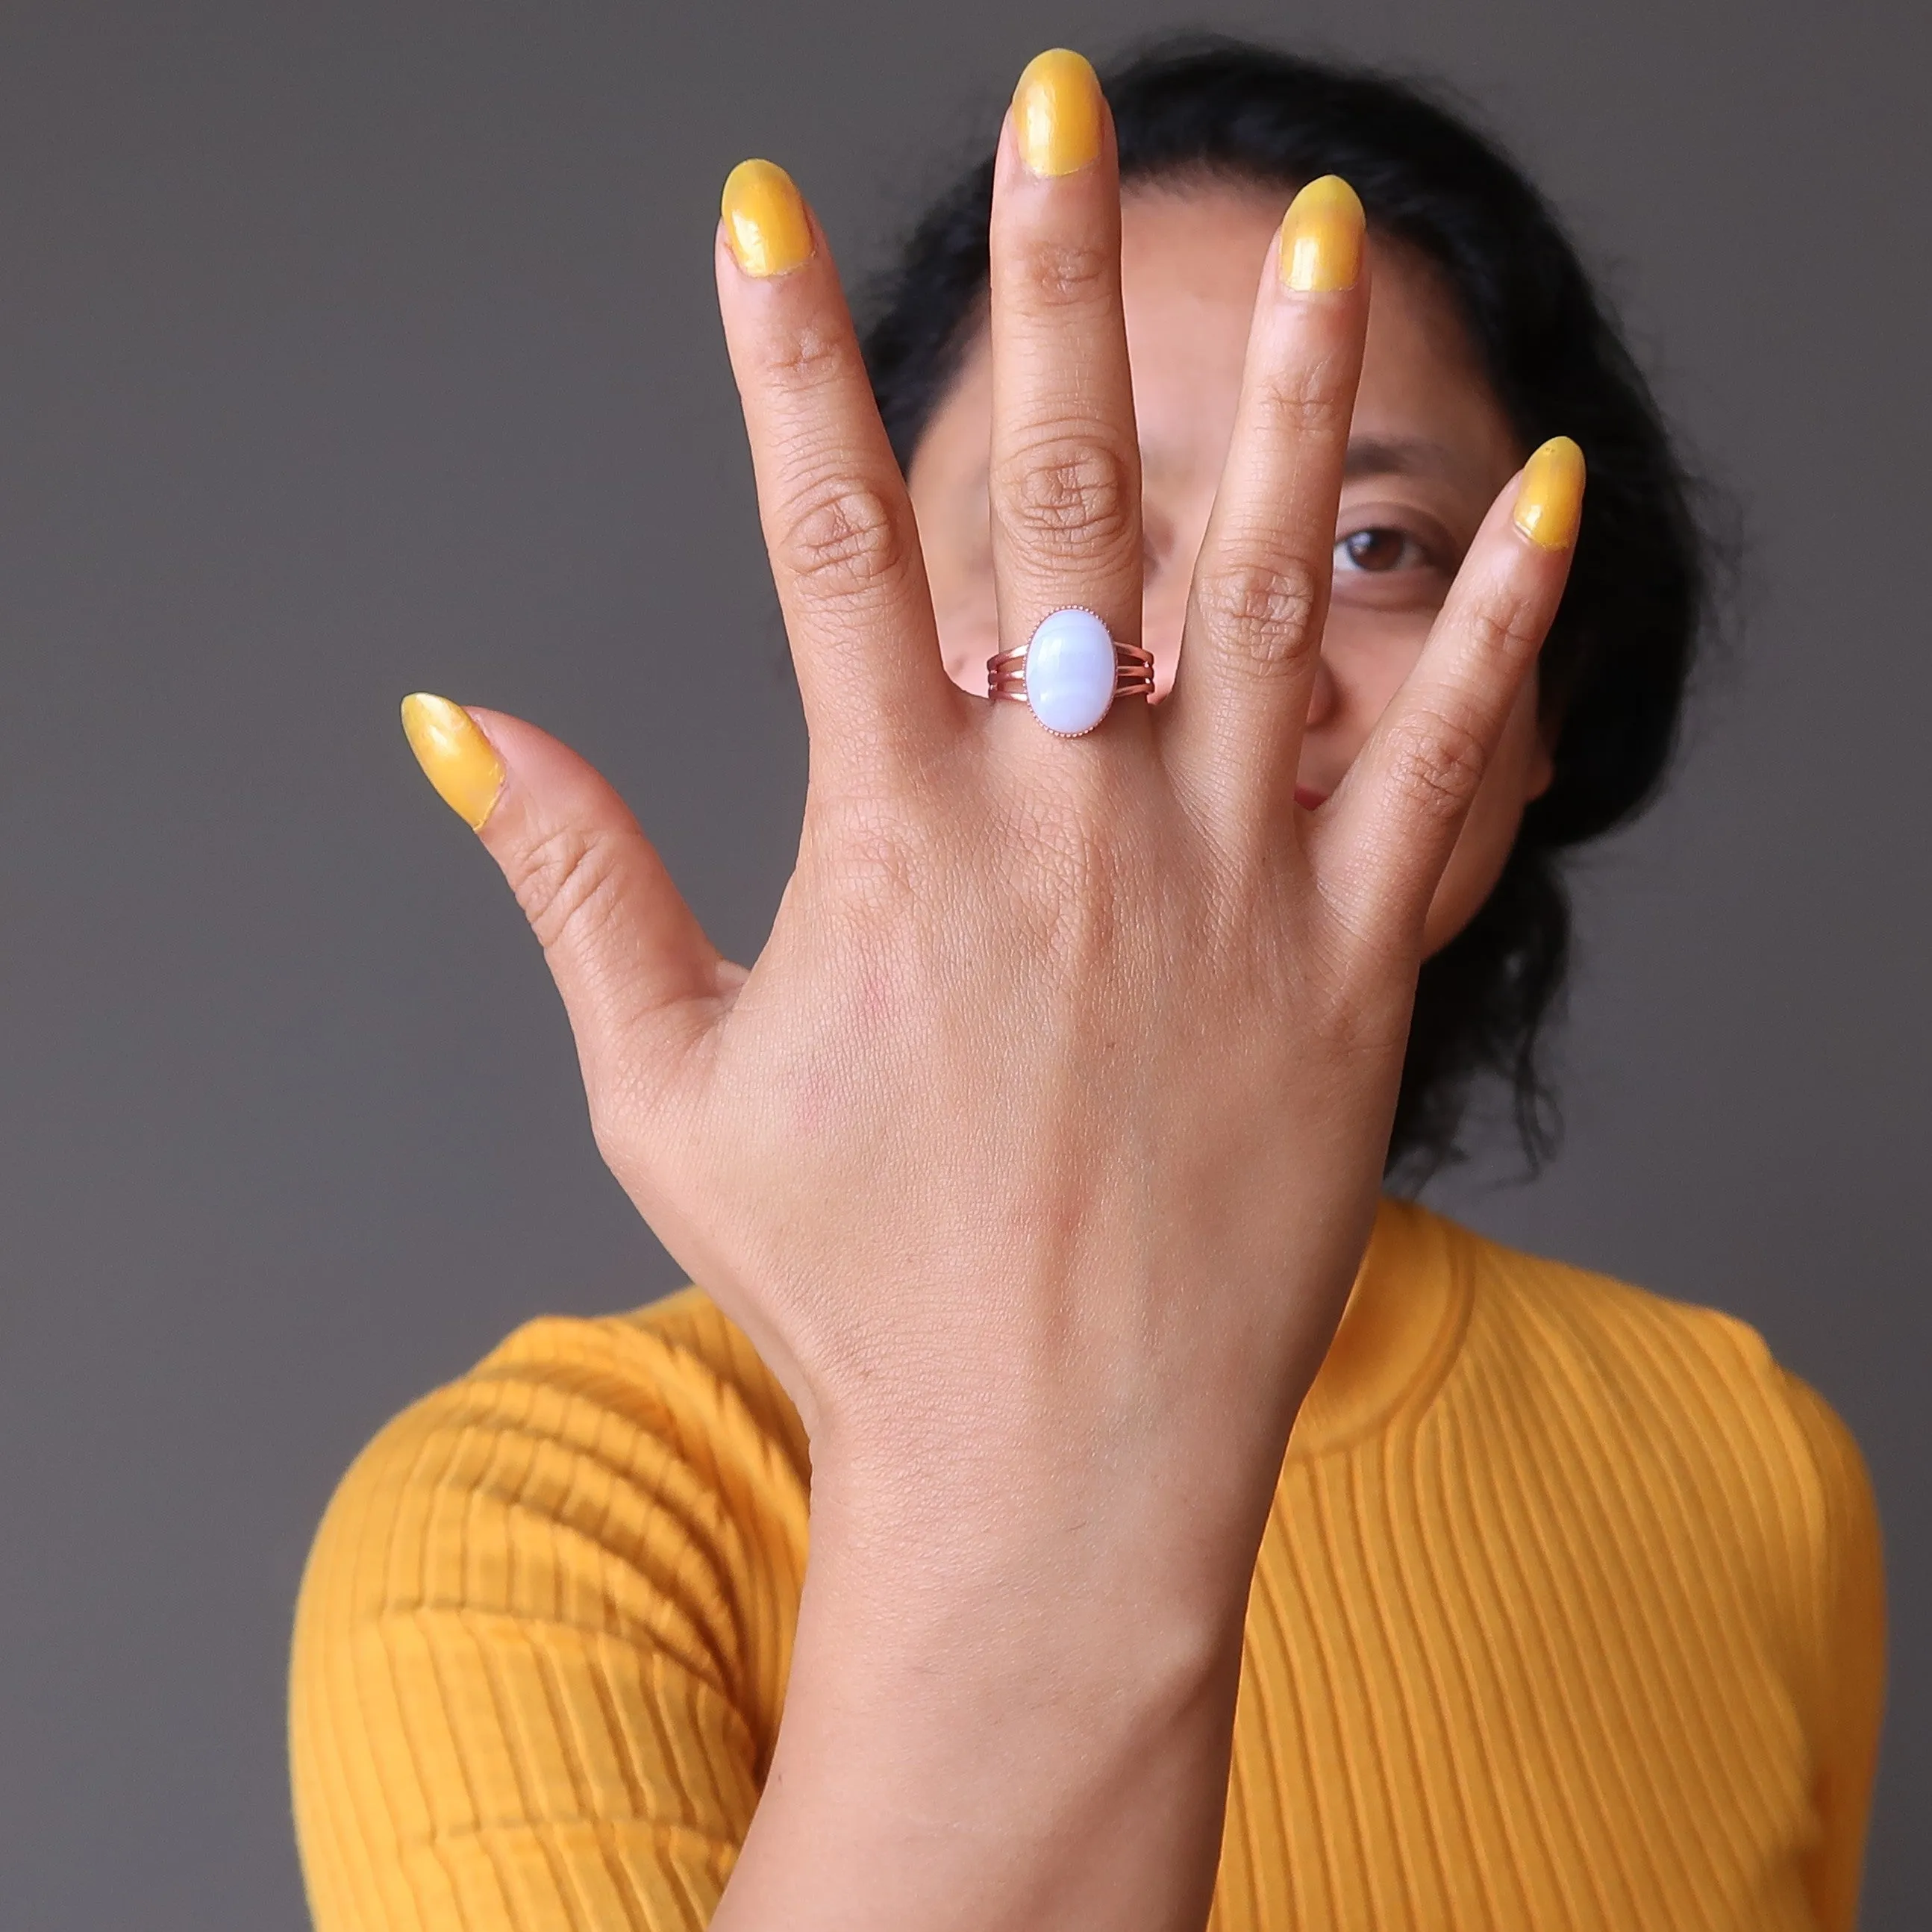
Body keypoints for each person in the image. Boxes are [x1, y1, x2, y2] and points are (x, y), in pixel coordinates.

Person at [288, 38, 1883, 1932]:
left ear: (1538, 707)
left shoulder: (1742, 1465)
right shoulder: (546, 1519)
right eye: (1089, 523)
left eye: (1372, 546)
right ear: (860, 615)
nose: (1230, 654)